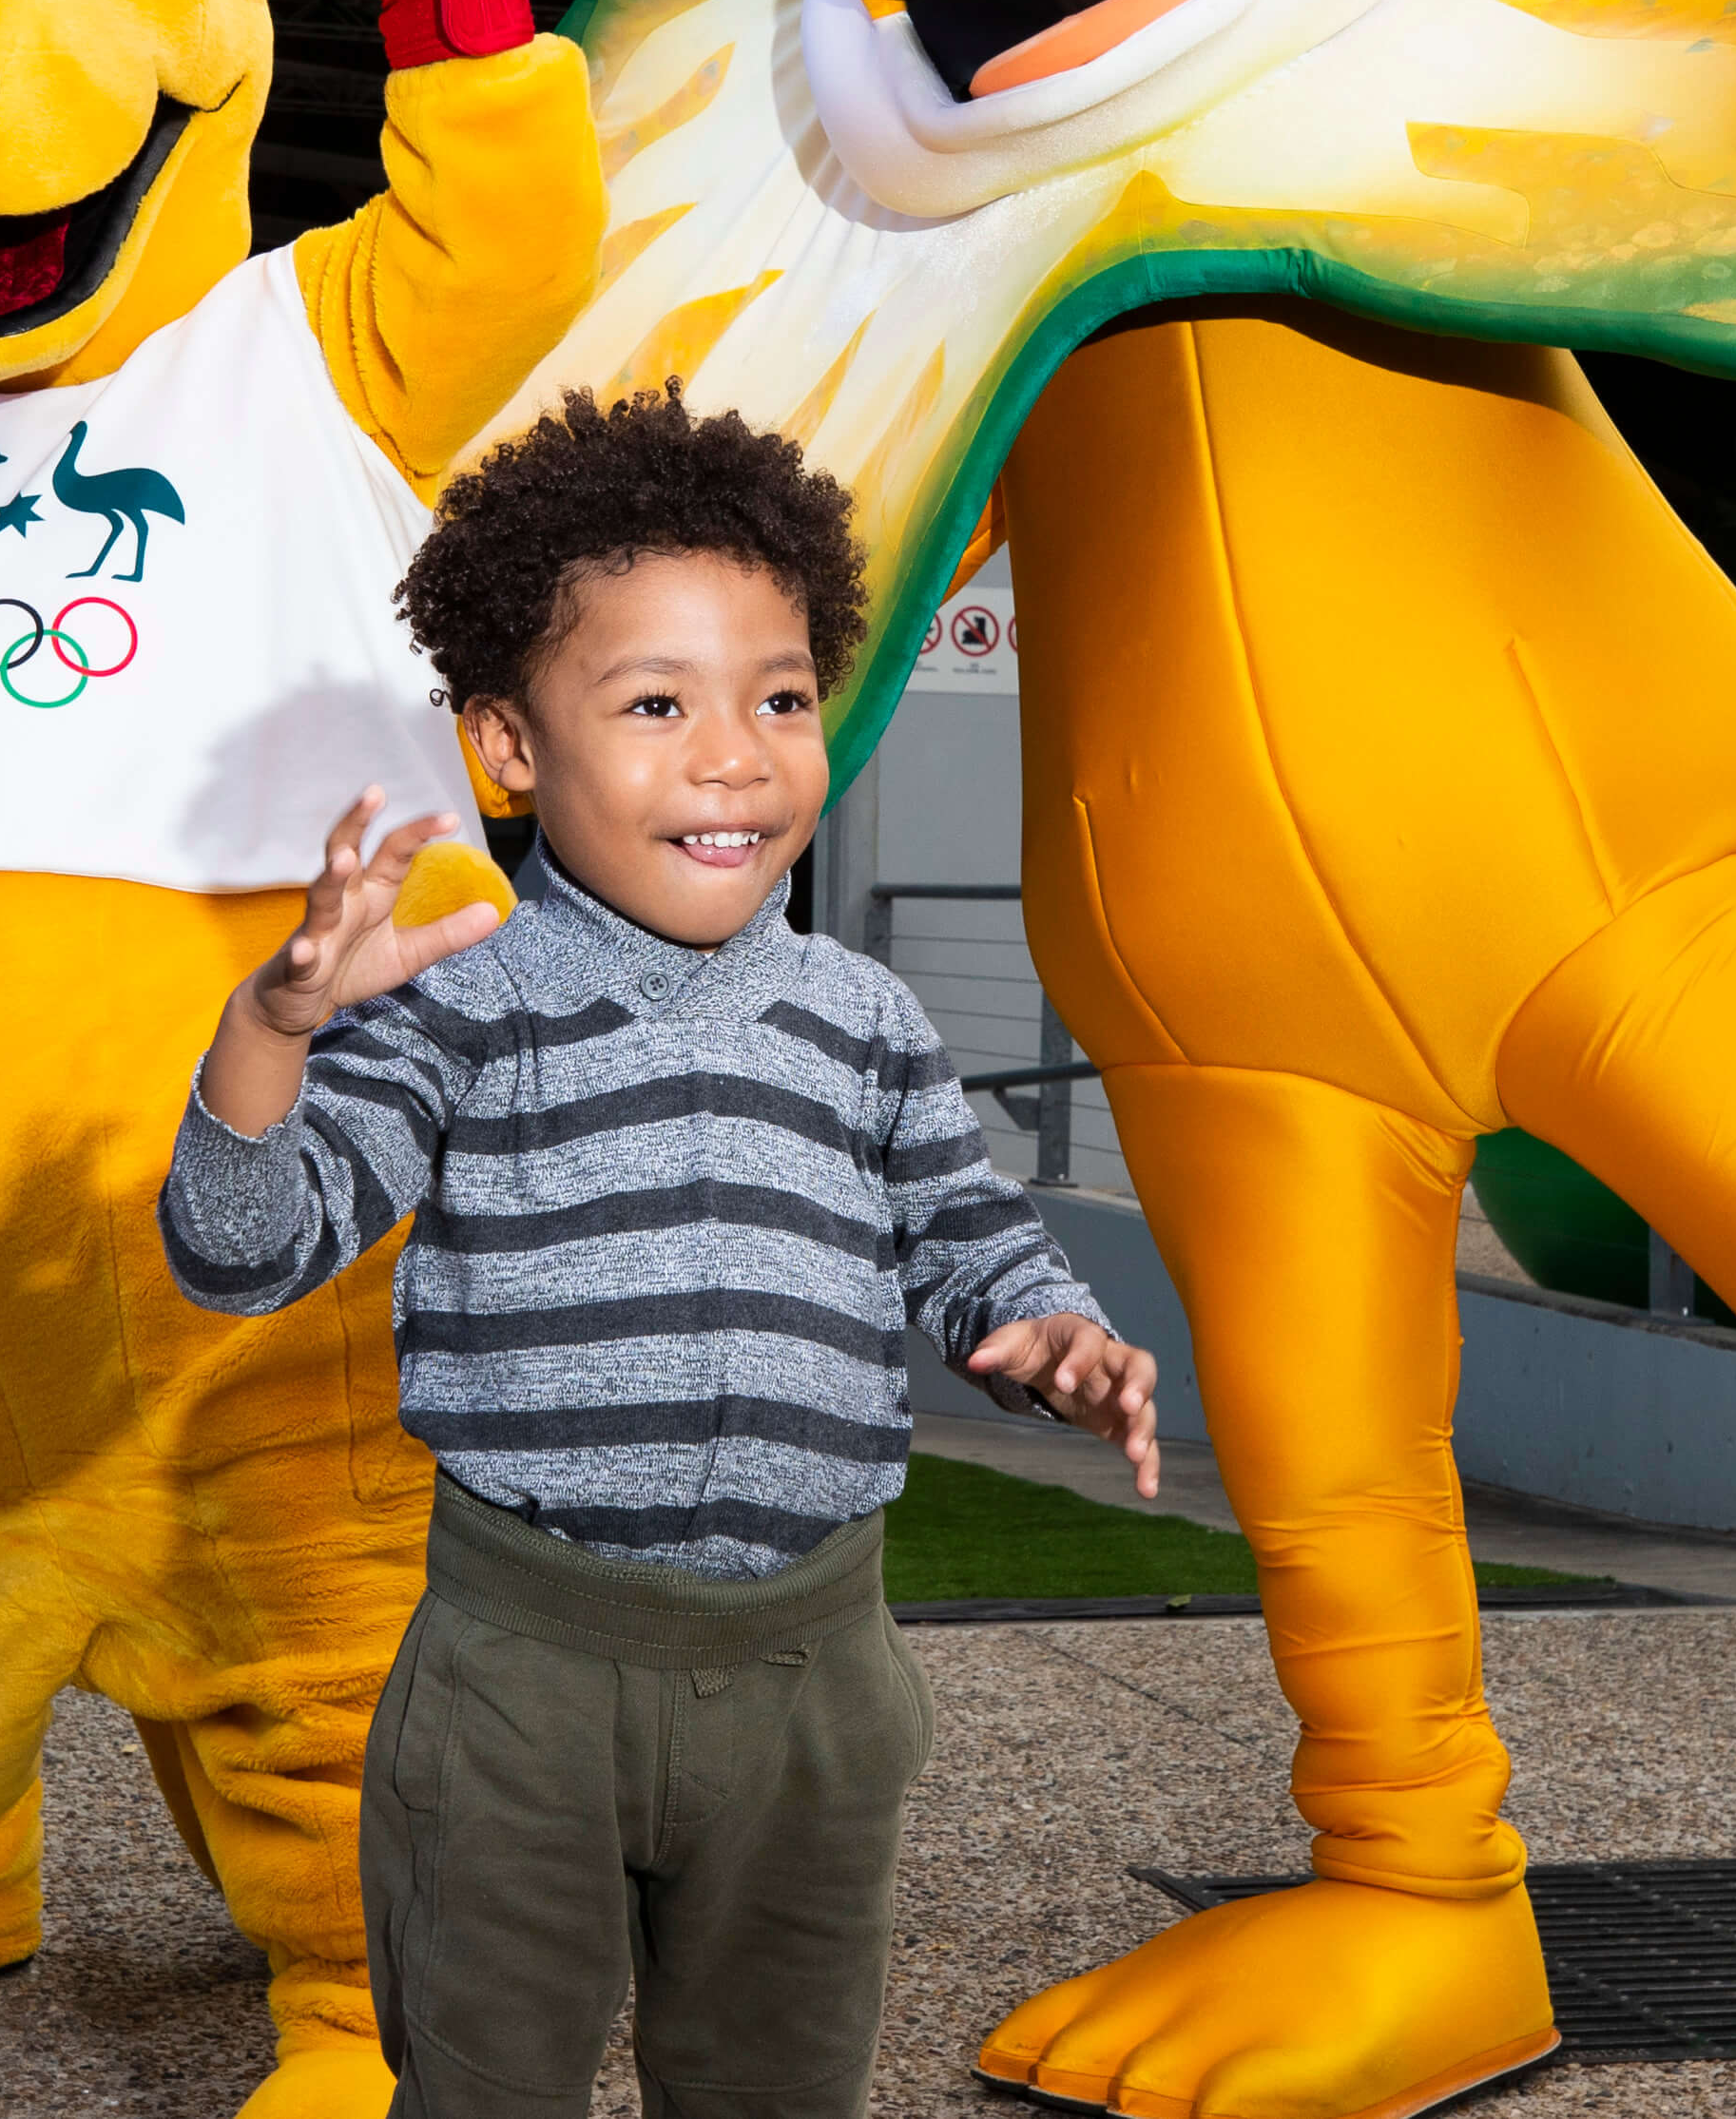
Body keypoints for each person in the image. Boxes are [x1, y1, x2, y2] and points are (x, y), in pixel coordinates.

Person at [158, 386, 1160, 2119]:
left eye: (779, 698)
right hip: (520, 1680)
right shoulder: (461, 1003)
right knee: (486, 2085)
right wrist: (273, 1025)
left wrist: (1057, 1334)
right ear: (507, 749)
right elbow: (245, 1244)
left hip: (811, 1677)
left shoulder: (863, 1017)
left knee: (779, 2087)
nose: (733, 754)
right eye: (654, 702)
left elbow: (973, 1243)